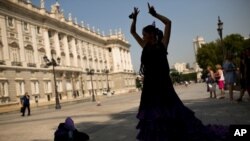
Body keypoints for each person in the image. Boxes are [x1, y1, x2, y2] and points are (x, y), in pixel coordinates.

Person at [129, 3, 229, 141]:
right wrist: (134, 19)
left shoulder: (162, 44)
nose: (143, 36)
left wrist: (155, 14)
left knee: (170, 111)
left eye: (144, 34)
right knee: (153, 115)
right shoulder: (144, 45)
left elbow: (168, 23)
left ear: (151, 34)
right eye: (143, 35)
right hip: (150, 86)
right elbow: (132, 32)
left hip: (163, 84)